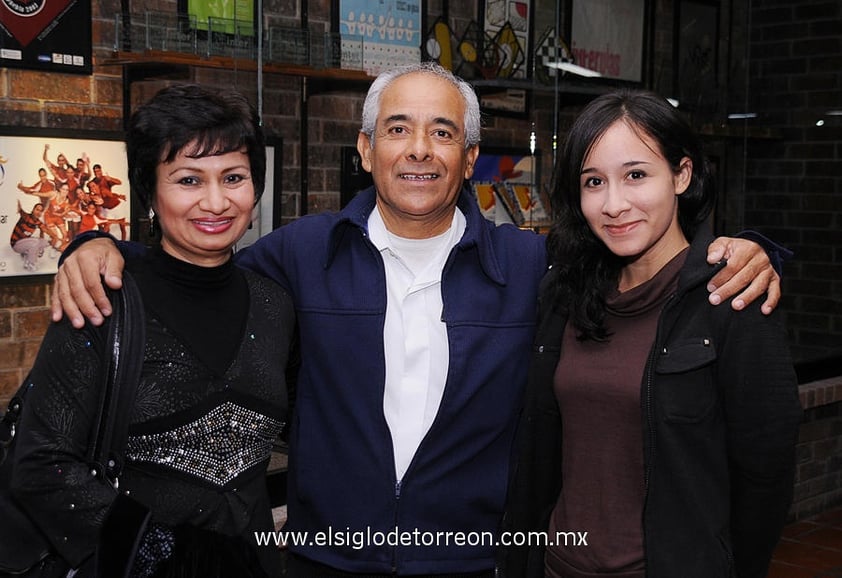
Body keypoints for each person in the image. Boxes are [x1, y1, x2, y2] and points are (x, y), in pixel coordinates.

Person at [52, 63, 782, 577]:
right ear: (366, 149)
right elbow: (192, 269)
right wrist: (95, 246)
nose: (419, 150)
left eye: (442, 133)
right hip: (324, 561)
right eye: (398, 129)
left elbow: (637, 248)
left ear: (468, 158)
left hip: (470, 561)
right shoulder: (300, 255)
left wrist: (755, 249)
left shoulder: (531, 267)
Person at [500, 89, 801, 578]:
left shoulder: (731, 298)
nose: (614, 204)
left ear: (681, 175)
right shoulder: (564, 292)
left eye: (636, 175)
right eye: (593, 181)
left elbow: (764, 477)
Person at [5, 84, 294, 577]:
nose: (216, 201)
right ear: (150, 191)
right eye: (188, 180)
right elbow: (40, 466)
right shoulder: (103, 296)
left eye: (234, 177)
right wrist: (164, 553)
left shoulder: (274, 304)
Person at [10, 201, 54, 271]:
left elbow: (45, 230)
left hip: (25, 242)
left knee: (45, 242)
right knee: (35, 242)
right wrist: (19, 207)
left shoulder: (38, 222)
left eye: (41, 211)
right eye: (37, 209)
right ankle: (30, 264)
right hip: (16, 244)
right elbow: (22, 212)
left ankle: (27, 254)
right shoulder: (26, 217)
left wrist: (55, 237)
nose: (38, 212)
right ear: (33, 210)